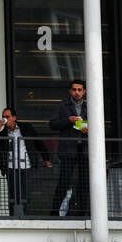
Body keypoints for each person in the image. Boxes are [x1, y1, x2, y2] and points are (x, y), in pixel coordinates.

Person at [0, 107, 50, 217]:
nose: (5, 119)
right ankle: (13, 217)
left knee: (26, 194)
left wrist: (46, 159)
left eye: (7, 116)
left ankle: (24, 216)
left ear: (14, 117)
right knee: (13, 195)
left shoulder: (26, 127)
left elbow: (38, 142)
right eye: (3, 117)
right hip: (11, 167)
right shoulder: (2, 133)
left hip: (26, 166)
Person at [49, 79, 89, 217]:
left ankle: (83, 213)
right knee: (64, 181)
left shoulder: (89, 106)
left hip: (85, 150)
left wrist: (87, 128)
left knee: (84, 183)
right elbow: (52, 124)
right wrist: (68, 120)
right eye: (74, 89)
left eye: (79, 90)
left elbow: (99, 126)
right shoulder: (62, 106)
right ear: (70, 91)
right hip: (68, 149)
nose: (77, 92)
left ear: (84, 91)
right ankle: (54, 212)